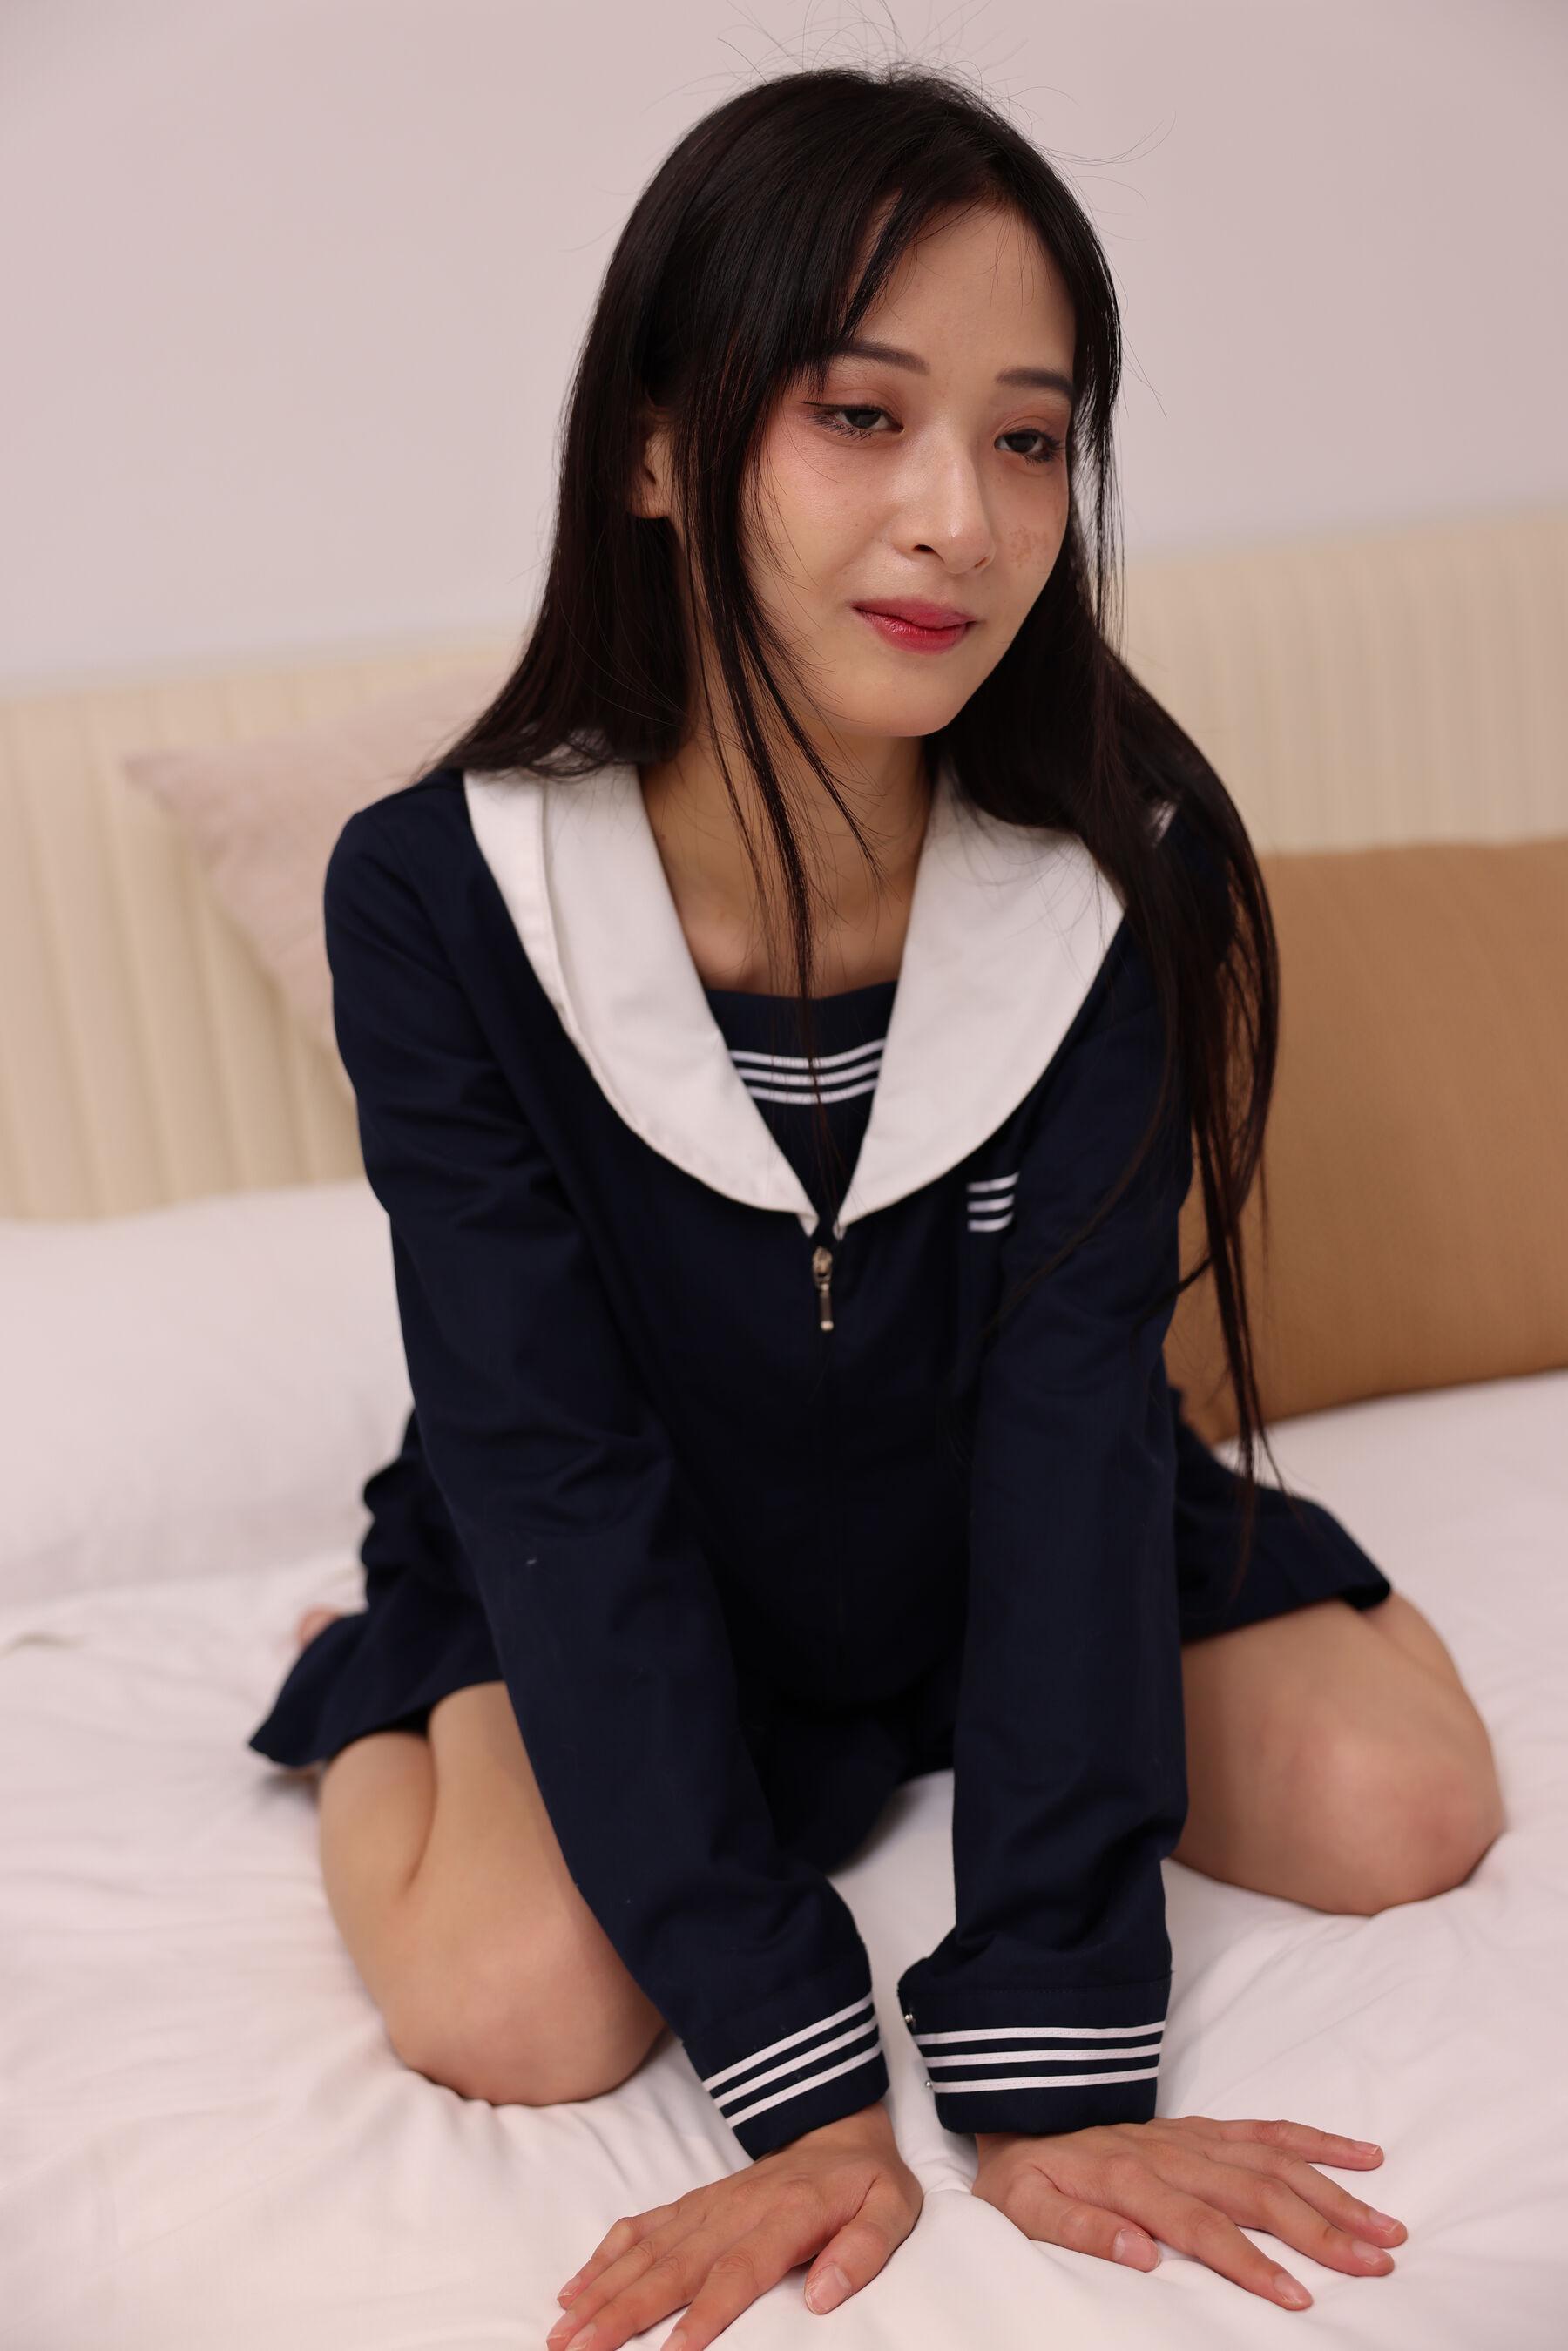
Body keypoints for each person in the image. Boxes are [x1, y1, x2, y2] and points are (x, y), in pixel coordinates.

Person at [247, 60, 1504, 2350]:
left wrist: (1051, 2074)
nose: (963, 519)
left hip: (990, 1501)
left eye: (1028, 440)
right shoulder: (437, 898)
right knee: (522, 2002)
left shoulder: (1110, 881)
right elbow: (556, 1459)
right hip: (630, 1532)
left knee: (1407, 1803)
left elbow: (1071, 1422)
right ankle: (364, 1687)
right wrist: (813, 2096)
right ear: (657, 450)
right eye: (860, 415)